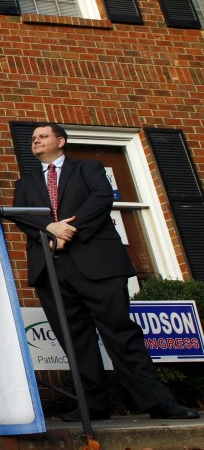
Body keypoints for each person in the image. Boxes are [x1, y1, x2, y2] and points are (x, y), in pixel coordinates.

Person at [12, 123, 199, 421]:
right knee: (75, 341)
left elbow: (101, 199)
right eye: (33, 138)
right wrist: (49, 229)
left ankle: (158, 402)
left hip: (97, 265)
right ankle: (94, 406)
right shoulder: (25, 183)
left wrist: (68, 230)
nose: (35, 141)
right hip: (52, 269)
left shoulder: (89, 169)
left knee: (120, 333)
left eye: (42, 136)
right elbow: (20, 216)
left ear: (60, 141)